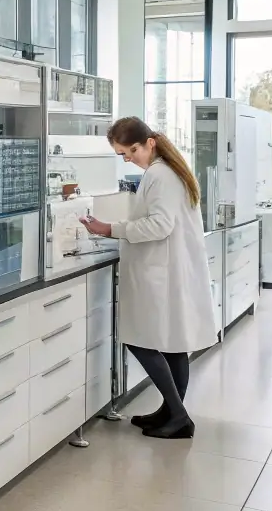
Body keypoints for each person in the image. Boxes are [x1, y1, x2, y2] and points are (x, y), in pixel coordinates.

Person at [80, 117, 215, 439]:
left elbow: (159, 225)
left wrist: (109, 229)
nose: (129, 158)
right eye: (123, 155)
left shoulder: (160, 175)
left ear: (150, 143)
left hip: (161, 273)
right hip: (169, 270)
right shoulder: (166, 170)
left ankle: (179, 416)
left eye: (132, 151)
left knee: (139, 340)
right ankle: (170, 412)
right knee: (172, 345)